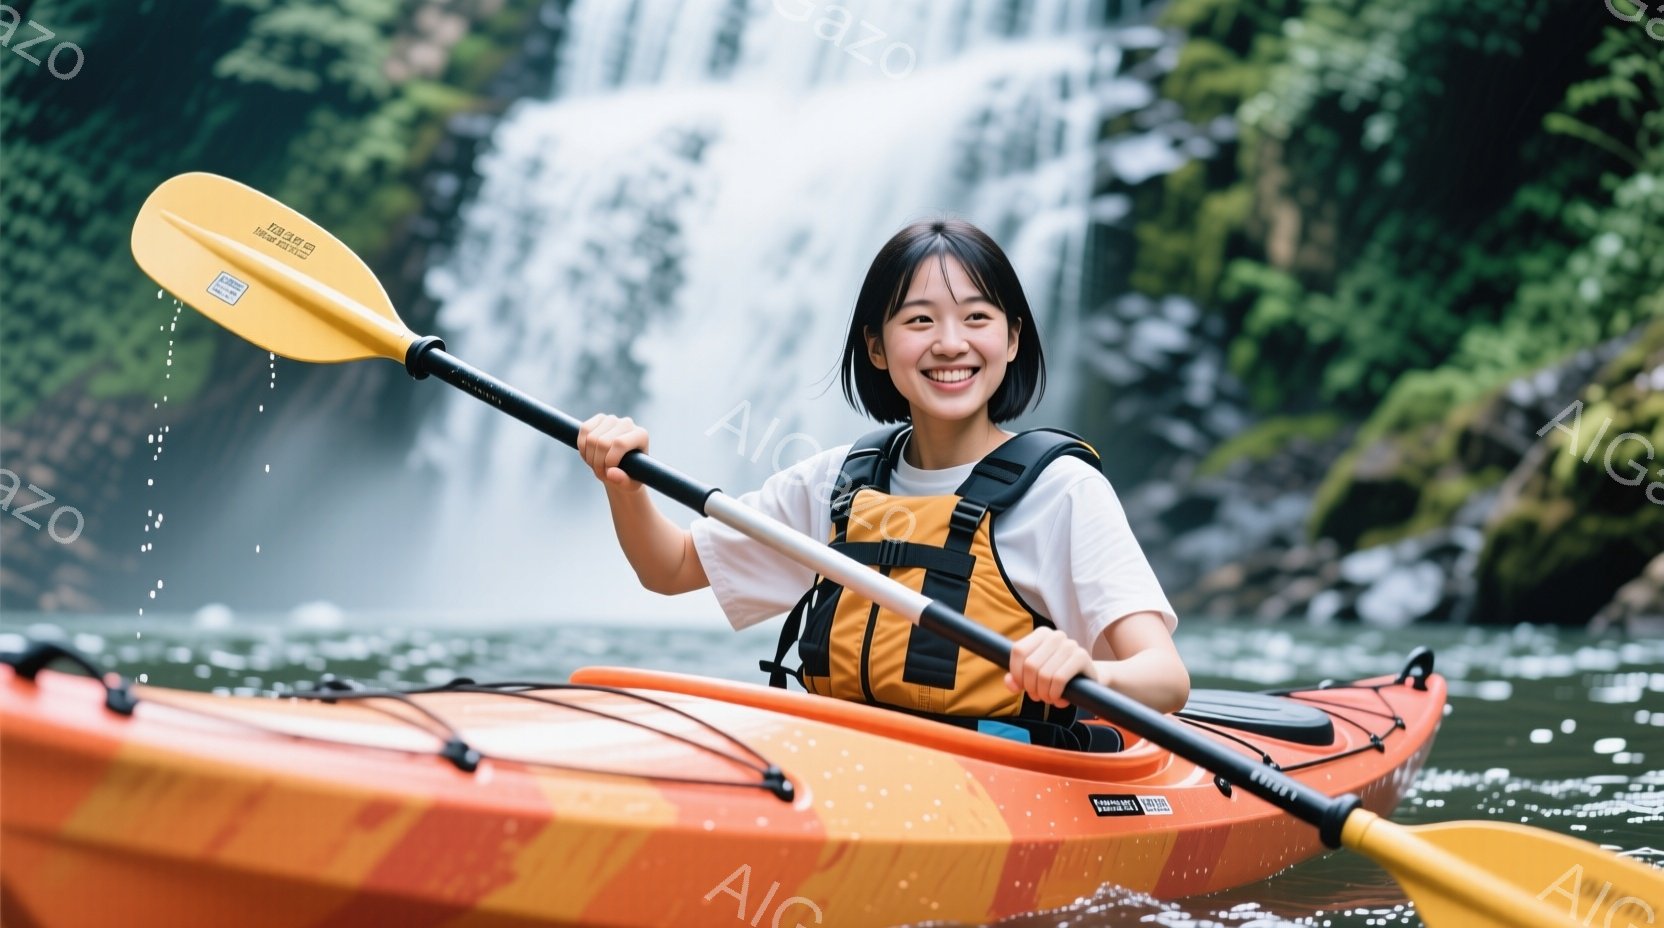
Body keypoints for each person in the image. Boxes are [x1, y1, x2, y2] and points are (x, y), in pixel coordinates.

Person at [578, 219, 1188, 749]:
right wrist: (623, 482)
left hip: (999, 774)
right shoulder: (835, 483)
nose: (951, 344)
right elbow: (672, 568)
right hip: (841, 761)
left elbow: (1166, 679)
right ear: (876, 345)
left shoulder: (1062, 493)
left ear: (1011, 339)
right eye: (919, 321)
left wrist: (1088, 673)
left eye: (977, 318)